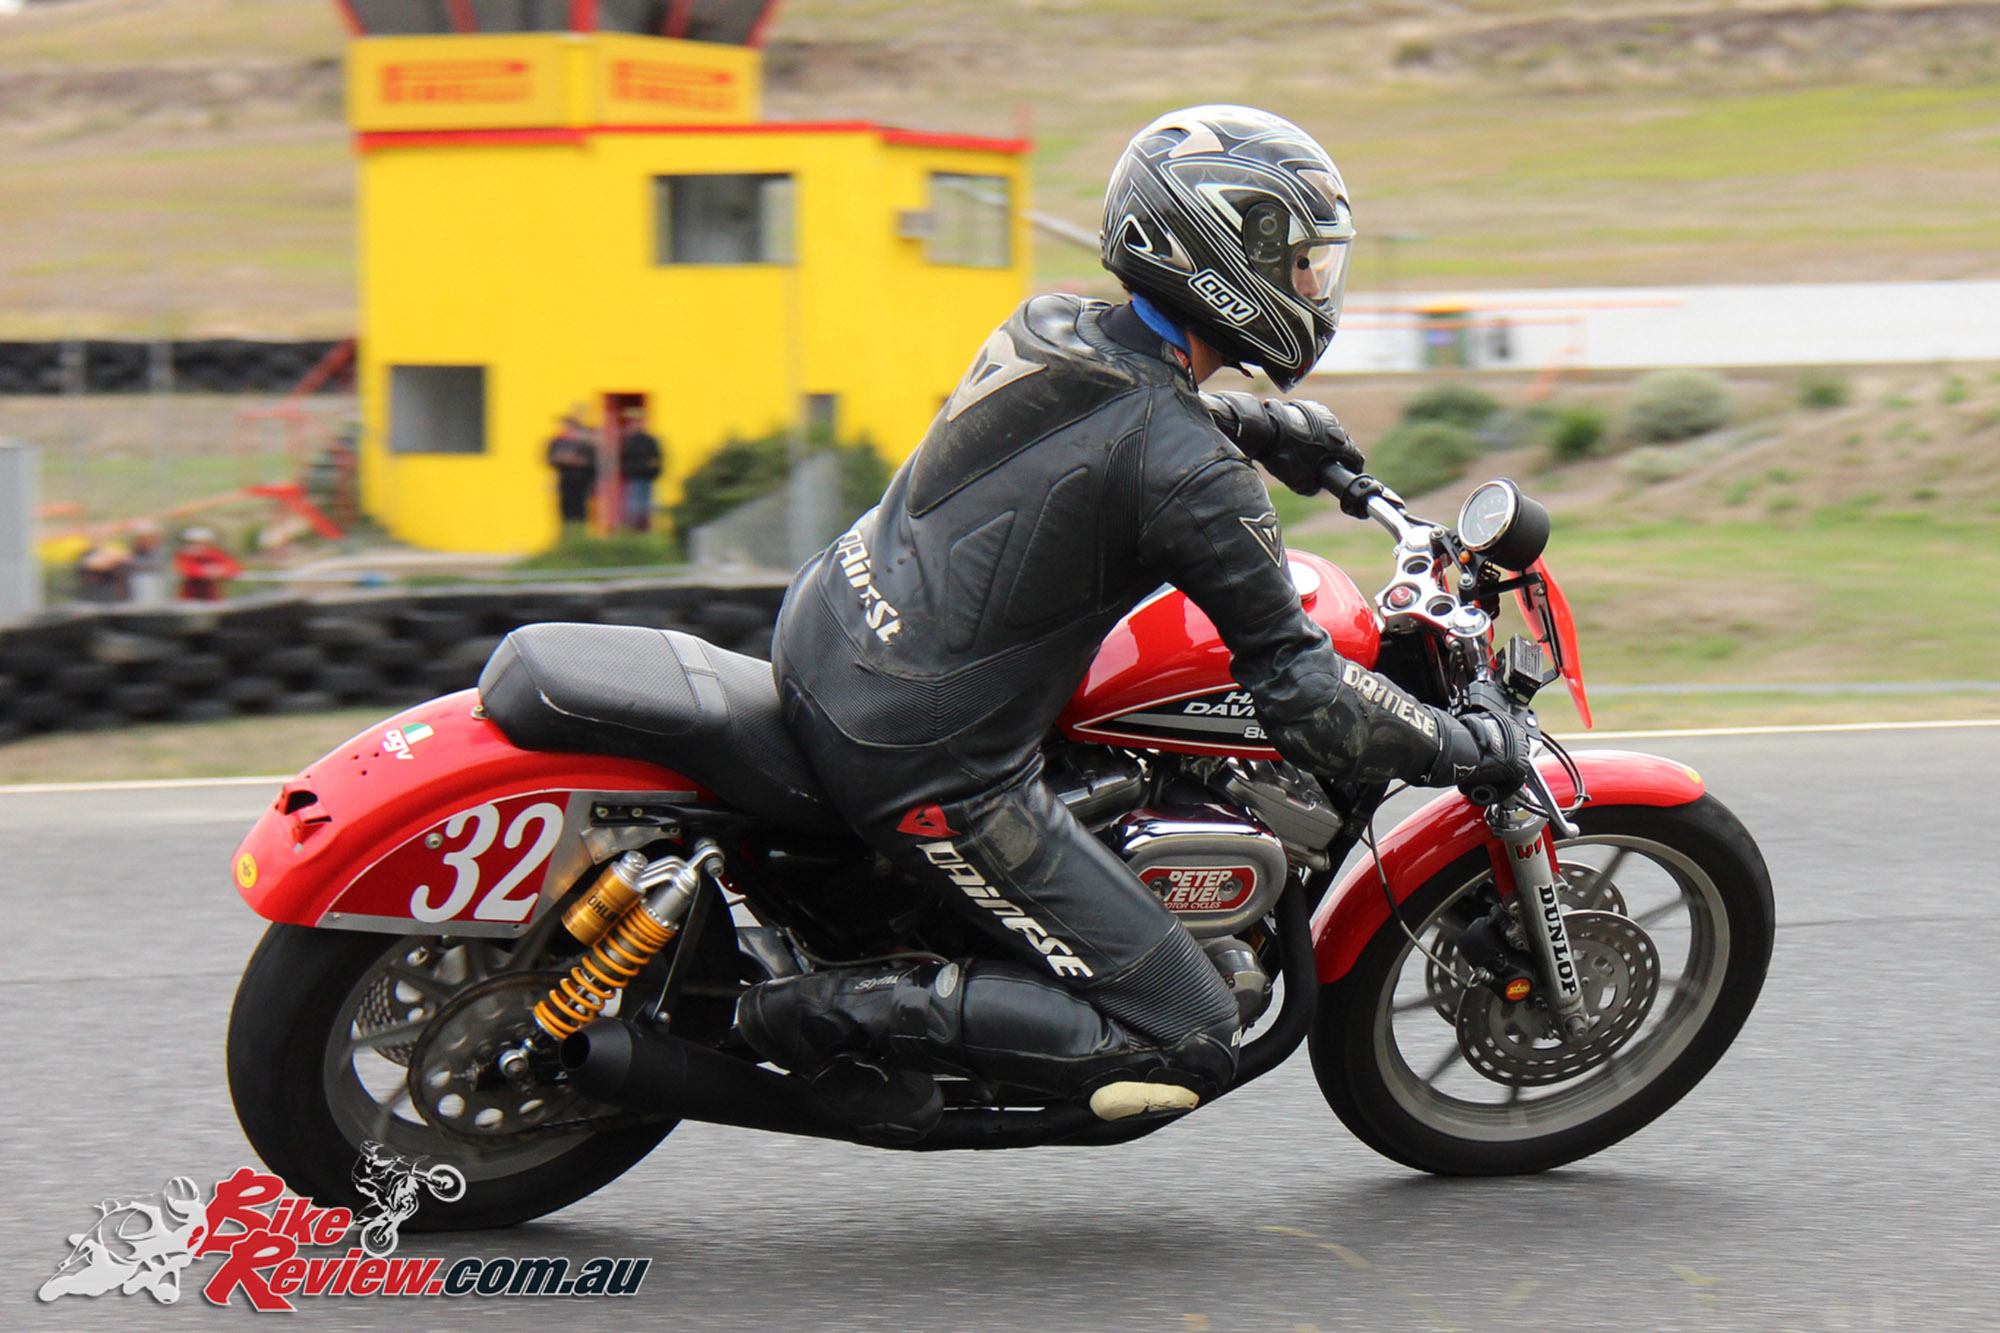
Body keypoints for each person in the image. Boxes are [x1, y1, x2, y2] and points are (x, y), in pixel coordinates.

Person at [740, 105, 1533, 1140]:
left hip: (826, 633)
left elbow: (1110, 420)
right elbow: (1304, 699)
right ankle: (788, 1015)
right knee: (1186, 1034)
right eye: (1298, 264)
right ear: (1224, 256)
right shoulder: (1193, 477)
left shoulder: (1046, 324)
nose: (1312, 289)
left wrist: (1262, 425)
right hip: (922, 755)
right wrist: (1462, 744)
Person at [545, 411, 599, 530]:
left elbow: (593, 460)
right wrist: (562, 459)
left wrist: (576, 460)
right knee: (565, 506)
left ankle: (579, 531)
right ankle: (567, 530)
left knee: (580, 506)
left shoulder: (585, 443)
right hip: (565, 478)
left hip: (582, 479)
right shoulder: (558, 441)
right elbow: (549, 459)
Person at [617, 407, 665, 533]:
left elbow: (657, 457)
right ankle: (631, 529)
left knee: (645, 506)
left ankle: (643, 529)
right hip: (634, 477)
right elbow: (622, 458)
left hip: (647, 477)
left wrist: (654, 471)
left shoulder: (649, 440)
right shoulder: (628, 440)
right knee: (633, 505)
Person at [173, 527, 240, 602]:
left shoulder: (214, 555)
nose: (197, 546)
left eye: (201, 543)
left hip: (212, 599)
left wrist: (220, 571)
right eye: (193, 543)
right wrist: (207, 571)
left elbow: (233, 568)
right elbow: (186, 570)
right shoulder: (182, 556)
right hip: (188, 599)